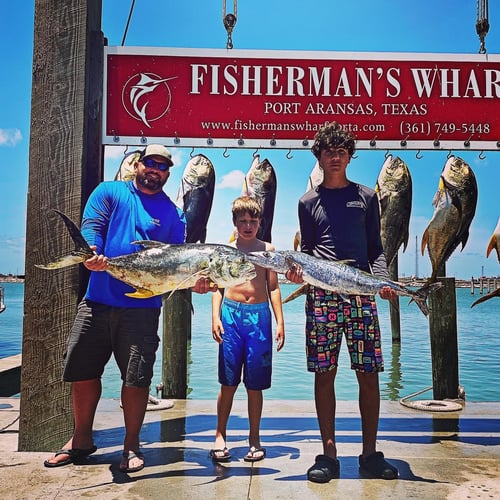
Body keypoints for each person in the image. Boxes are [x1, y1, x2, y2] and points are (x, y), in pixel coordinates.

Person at [44, 144, 213, 473]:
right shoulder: (110, 192)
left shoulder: (173, 214)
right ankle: (80, 440)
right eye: (151, 163)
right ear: (138, 164)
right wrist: (92, 251)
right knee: (82, 371)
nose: (155, 170)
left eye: (163, 167)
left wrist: (197, 282)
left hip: (142, 308)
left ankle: (131, 445)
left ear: (168, 173)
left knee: (136, 379)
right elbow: (93, 225)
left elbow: (176, 264)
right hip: (97, 303)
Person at [286, 122, 399, 482]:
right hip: (321, 297)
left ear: (350, 155)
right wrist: (296, 274)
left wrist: (382, 281)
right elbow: (306, 254)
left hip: (361, 297)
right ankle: (328, 455)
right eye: (328, 151)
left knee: (368, 374)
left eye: (341, 151)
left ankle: (369, 454)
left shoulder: (366, 197)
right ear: (318, 156)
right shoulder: (307, 202)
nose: (335, 157)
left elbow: (376, 250)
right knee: (325, 375)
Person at [210, 196, 285, 463]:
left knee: (255, 385)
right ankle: (220, 435)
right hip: (231, 315)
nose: (248, 225)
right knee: (227, 382)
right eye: (242, 221)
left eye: (252, 221)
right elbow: (217, 287)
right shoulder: (226, 249)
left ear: (260, 223)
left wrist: (280, 322)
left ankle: (255, 438)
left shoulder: (268, 250)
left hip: (259, 319)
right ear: (235, 222)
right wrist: (215, 318)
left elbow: (273, 287)